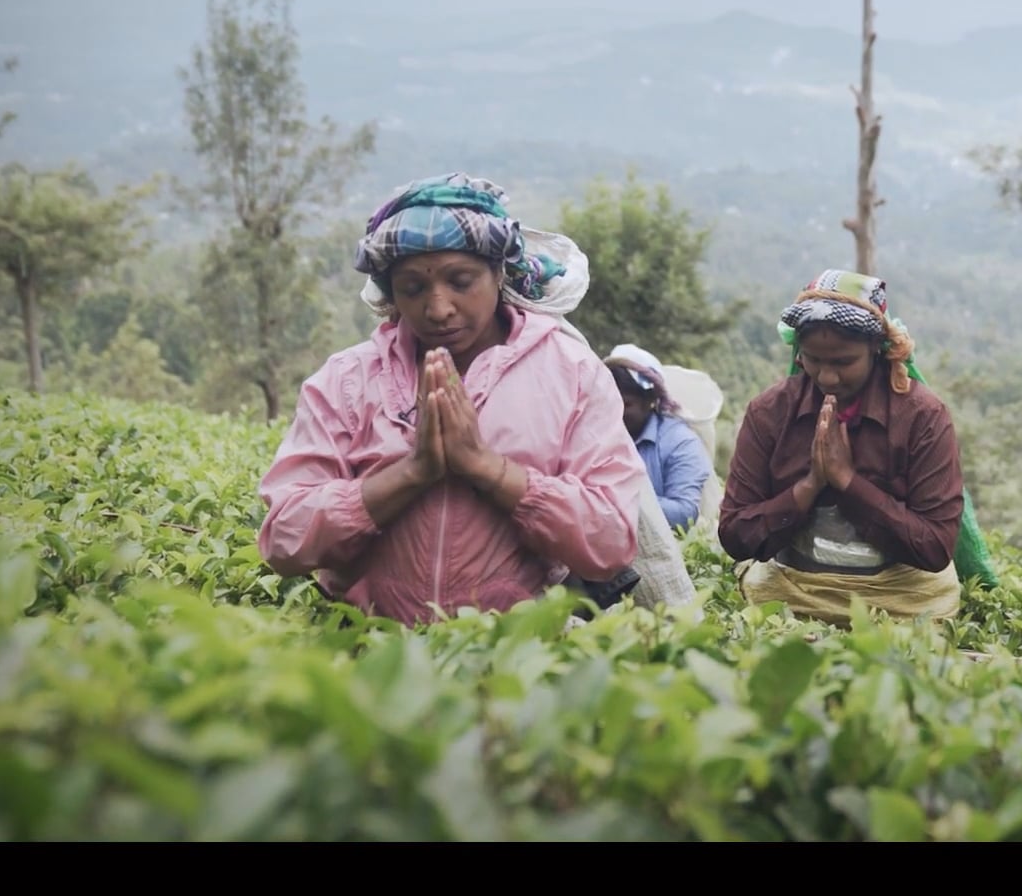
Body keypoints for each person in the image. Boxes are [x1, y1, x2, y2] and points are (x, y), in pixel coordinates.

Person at [255, 172, 694, 625]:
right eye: (413, 288)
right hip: (373, 659)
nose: (438, 308)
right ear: (390, 292)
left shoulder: (572, 375)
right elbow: (285, 540)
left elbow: (609, 542)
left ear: (499, 273)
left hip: (516, 659)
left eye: (461, 281)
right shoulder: (347, 381)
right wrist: (412, 473)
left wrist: (487, 468)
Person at [717, 268, 968, 625]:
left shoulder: (922, 417)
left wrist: (847, 481)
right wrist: (809, 486)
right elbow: (735, 535)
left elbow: (935, 545)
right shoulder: (769, 413)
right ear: (798, 352)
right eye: (813, 360)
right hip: (794, 589)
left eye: (843, 362)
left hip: (900, 597)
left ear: (876, 351)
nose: (828, 377)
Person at [603, 343, 713, 534]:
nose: (616, 410)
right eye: (611, 401)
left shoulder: (680, 442)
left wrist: (617, 499)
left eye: (627, 404)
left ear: (649, 401)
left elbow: (685, 514)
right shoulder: (597, 434)